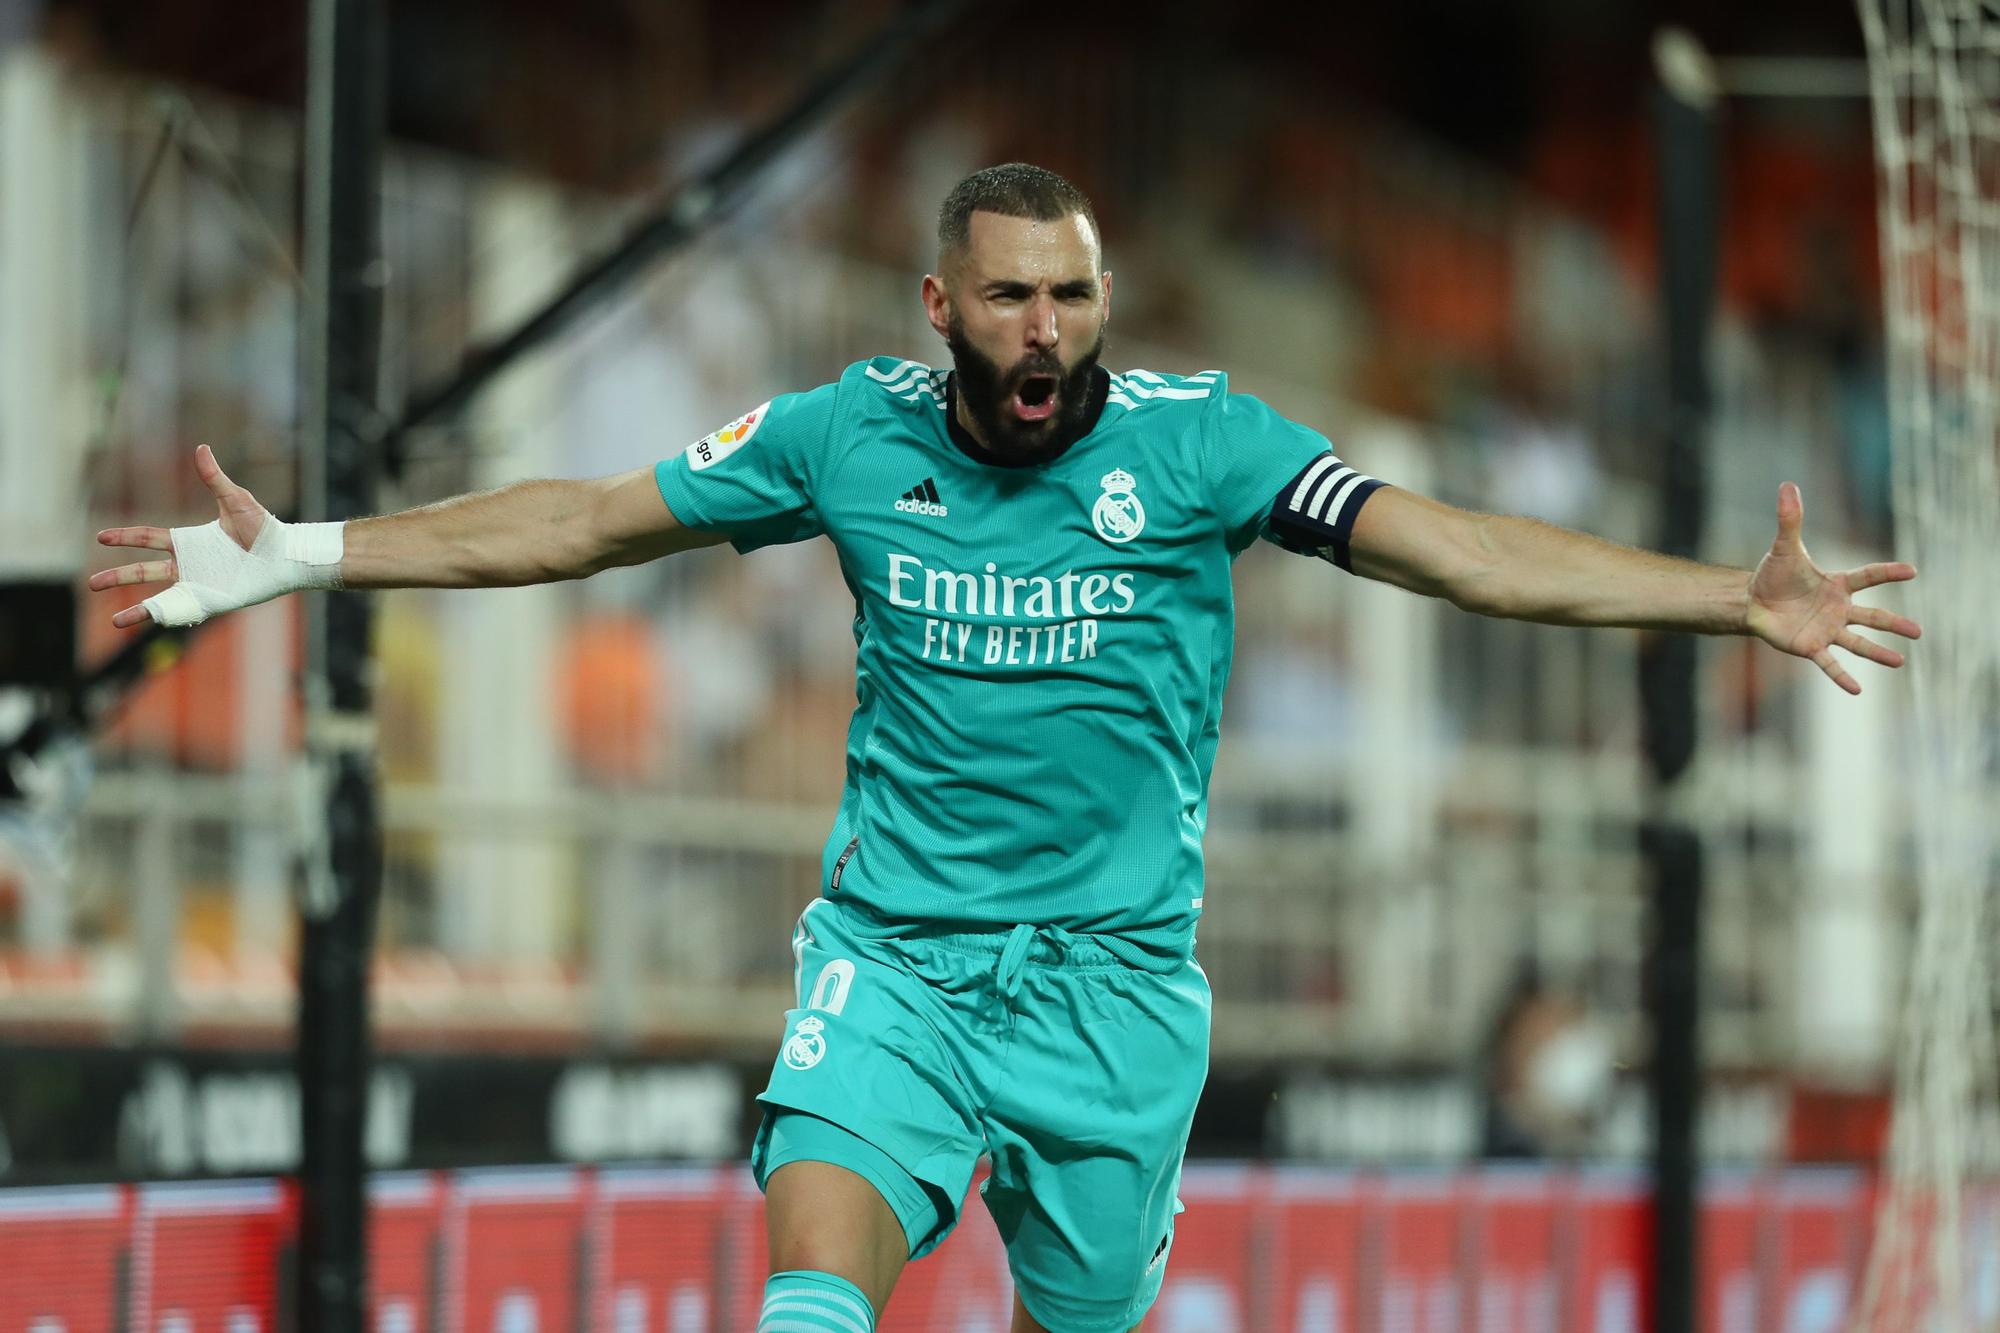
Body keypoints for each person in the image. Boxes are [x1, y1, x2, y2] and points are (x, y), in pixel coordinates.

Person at [91, 163, 1922, 1333]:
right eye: (1010, 296)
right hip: (892, 957)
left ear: (1102, 303)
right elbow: (577, 520)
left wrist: (1723, 601)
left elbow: (1458, 549)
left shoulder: (1207, 445)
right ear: (940, 308)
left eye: (1073, 296)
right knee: (814, 1287)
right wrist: (301, 555)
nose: (1045, 331)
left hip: (1116, 991)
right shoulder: (841, 434)